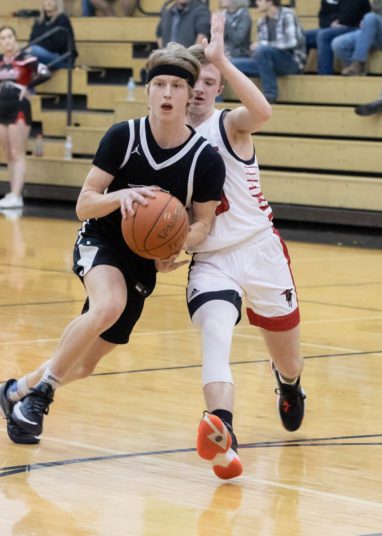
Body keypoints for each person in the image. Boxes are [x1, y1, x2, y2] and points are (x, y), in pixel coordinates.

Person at [0, 43, 226, 443]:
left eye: (176, 86)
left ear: (189, 95)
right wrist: (121, 196)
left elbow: (204, 222)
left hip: (143, 260)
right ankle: (40, 397)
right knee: (109, 304)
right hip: (101, 238)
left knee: (85, 365)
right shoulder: (123, 136)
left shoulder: (205, 159)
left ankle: (15, 392)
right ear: (147, 91)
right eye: (160, 85)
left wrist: (176, 245)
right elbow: (84, 204)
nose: (167, 94)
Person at [185, 13, 307, 480]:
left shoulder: (229, 124)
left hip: (259, 249)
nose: (199, 89)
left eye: (208, 81)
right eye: (193, 80)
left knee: (289, 358)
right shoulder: (164, 139)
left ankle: (289, 384)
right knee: (216, 334)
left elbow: (263, 113)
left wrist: (222, 60)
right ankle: (224, 433)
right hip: (211, 258)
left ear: (218, 88)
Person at [0, 26, 50, 210]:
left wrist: (28, 86)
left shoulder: (27, 59)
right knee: (8, 154)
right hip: (1, 109)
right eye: (3, 38)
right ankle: (12, 192)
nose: (7, 40)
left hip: (19, 108)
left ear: (15, 38)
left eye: (10, 36)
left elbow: (45, 72)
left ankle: (17, 195)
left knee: (18, 153)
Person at [230, 0, 306, 103]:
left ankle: (270, 95)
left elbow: (292, 42)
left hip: (292, 62)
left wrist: (263, 45)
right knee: (231, 63)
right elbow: (261, 53)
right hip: (267, 63)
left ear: (269, 1)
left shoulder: (287, 14)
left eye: (260, 0)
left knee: (262, 50)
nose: (256, 3)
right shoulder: (261, 22)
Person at [308, 0, 370, 74]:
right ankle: (298, 71)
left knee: (323, 35)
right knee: (303, 36)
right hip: (331, 27)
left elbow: (348, 17)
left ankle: (325, 75)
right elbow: (322, 18)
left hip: (353, 27)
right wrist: (331, 24)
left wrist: (335, 21)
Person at [333, 0, 382, 75]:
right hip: (373, 29)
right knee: (338, 43)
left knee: (370, 17)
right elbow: (376, 9)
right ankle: (356, 71)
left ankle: (359, 61)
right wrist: (365, 21)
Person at [28, 0, 78, 69]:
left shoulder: (62, 19)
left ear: (57, 3)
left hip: (62, 58)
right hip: (43, 55)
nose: (48, 2)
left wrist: (40, 45)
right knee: (24, 52)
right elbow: (31, 40)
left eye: (52, 0)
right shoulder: (39, 21)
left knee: (33, 50)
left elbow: (56, 45)